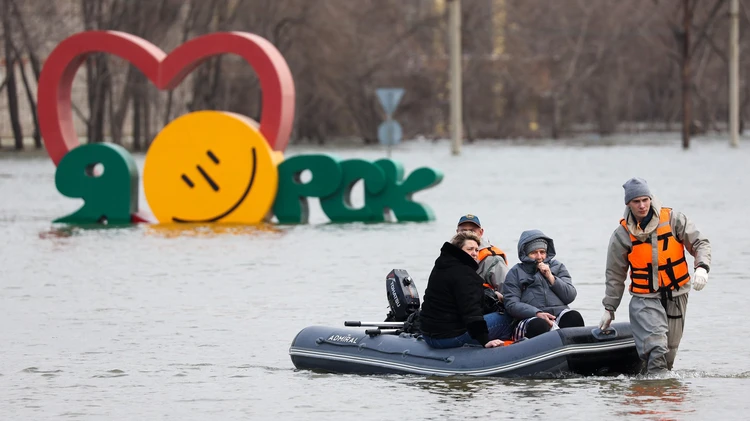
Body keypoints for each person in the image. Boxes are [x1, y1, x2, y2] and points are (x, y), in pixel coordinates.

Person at [599, 177, 711, 374]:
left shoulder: (673, 219)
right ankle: (652, 392)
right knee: (657, 347)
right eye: (636, 201)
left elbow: (700, 243)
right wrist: (610, 307)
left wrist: (702, 267)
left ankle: (654, 394)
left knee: (668, 355)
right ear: (628, 203)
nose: (642, 206)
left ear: (650, 198)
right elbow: (615, 275)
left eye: (645, 199)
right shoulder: (622, 234)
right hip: (645, 298)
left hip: (677, 294)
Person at [420, 231, 515, 349]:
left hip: (429, 335)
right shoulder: (465, 274)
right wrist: (484, 340)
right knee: (506, 319)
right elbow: (471, 312)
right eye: (470, 249)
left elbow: (457, 294)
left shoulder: (441, 266)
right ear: (459, 250)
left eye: (476, 250)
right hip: (449, 337)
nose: (475, 253)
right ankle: (499, 353)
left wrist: (493, 294)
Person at [502, 229, 584, 340]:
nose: (539, 256)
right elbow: (511, 304)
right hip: (531, 318)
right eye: (534, 253)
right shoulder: (515, 272)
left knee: (574, 317)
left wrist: (550, 277)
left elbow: (570, 296)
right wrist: (537, 313)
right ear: (525, 254)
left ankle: (577, 353)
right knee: (540, 325)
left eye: (542, 252)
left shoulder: (558, 267)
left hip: (558, 314)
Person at [456, 214, 511, 299]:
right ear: (457, 233)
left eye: (472, 231)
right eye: (463, 231)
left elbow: (508, 290)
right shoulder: (450, 256)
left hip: (486, 307)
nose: (467, 234)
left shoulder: (493, 259)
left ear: (481, 232)